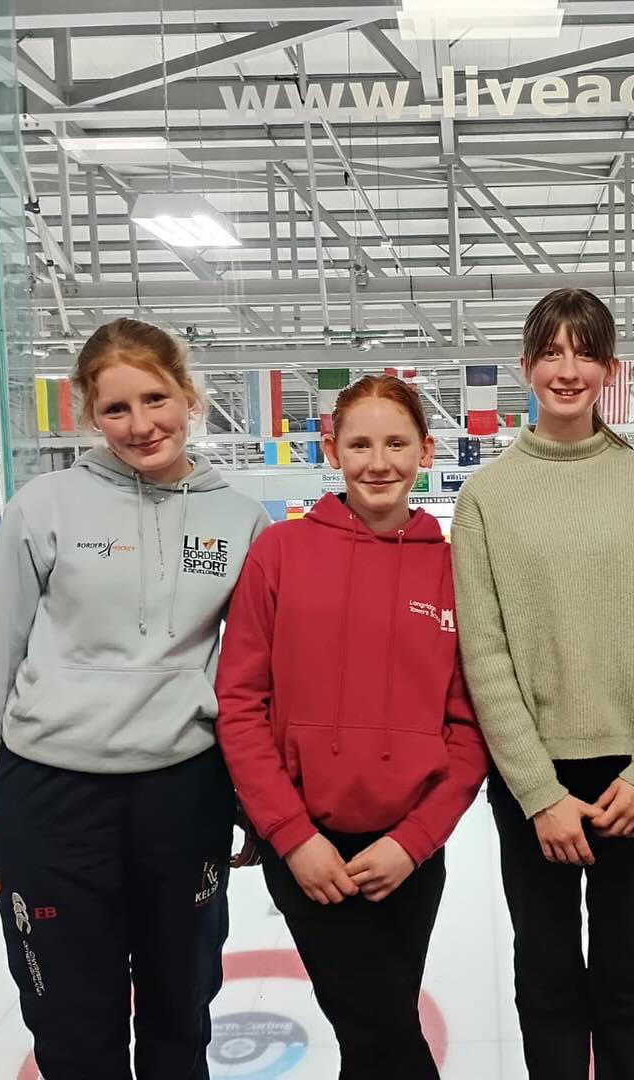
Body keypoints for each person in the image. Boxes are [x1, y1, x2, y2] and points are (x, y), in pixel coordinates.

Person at [0, 318, 270, 1079]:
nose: (139, 424)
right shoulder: (46, 505)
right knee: (73, 1028)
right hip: (51, 799)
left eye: (155, 399)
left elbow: (253, 680)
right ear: (88, 412)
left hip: (182, 796)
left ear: (189, 397)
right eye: (115, 408)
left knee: (179, 1013)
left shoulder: (240, 520)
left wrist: (256, 797)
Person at [449, 288, 634, 1080]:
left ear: (609, 369)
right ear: (526, 368)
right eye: (551, 354)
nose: (568, 370)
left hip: (633, 780)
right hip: (534, 785)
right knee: (550, 981)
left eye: (585, 352)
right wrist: (536, 791)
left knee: (630, 983)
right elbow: (484, 655)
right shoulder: (488, 496)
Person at [215, 374, 489, 1080]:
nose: (379, 462)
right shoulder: (280, 553)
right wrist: (292, 837)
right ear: (333, 451)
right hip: (309, 852)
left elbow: (469, 727)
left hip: (407, 857)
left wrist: (415, 842)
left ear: (426, 450)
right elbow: (242, 704)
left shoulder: (455, 569)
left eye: (396, 443)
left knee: (373, 1039)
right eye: (360, 444)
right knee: (385, 1035)